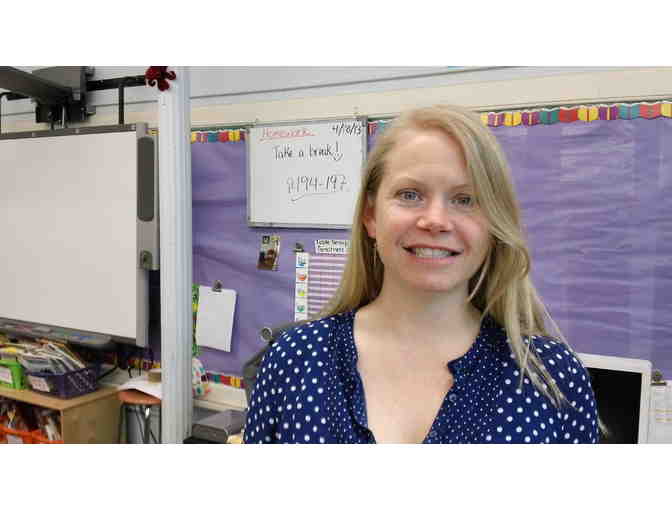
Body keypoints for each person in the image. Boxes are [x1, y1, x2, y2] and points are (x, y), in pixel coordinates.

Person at [244, 104, 600, 444]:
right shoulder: (293, 360)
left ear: (494, 223)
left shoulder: (553, 377)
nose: (435, 221)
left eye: (465, 199)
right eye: (410, 194)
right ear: (370, 216)